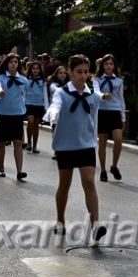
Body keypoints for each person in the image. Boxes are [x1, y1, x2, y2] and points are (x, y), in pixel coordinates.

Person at [45, 54, 107, 242]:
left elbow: (94, 118)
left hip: (86, 144)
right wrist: (53, 115)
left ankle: (96, 225)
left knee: (89, 181)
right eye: (79, 72)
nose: (82, 76)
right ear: (70, 72)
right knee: (65, 184)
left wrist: (95, 140)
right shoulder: (61, 93)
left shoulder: (92, 96)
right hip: (65, 146)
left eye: (86, 72)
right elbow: (54, 106)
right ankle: (60, 220)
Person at [0, 53, 28, 180]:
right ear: (7, 64)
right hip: (2, 114)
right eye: (11, 62)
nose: (14, 64)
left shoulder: (24, 80)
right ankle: (1, 168)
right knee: (2, 142)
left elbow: (26, 95)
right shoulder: (0, 78)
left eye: (16, 62)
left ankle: (19, 171)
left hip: (17, 114)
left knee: (18, 142)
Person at [93, 54, 126, 182]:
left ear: (114, 66)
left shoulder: (119, 81)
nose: (108, 66)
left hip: (115, 111)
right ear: (102, 65)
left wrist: (123, 116)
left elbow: (121, 98)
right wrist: (102, 96)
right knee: (102, 142)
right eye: (106, 64)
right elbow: (95, 91)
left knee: (118, 139)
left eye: (111, 64)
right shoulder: (97, 79)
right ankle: (102, 170)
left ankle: (114, 166)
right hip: (102, 112)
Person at [24, 60, 48, 154]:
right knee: (30, 122)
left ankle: (35, 146)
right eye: (33, 68)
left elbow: (45, 93)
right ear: (31, 69)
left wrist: (46, 106)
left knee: (36, 125)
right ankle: (29, 142)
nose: (35, 70)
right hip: (29, 103)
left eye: (37, 68)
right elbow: (24, 92)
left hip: (39, 104)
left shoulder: (42, 81)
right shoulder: (26, 80)